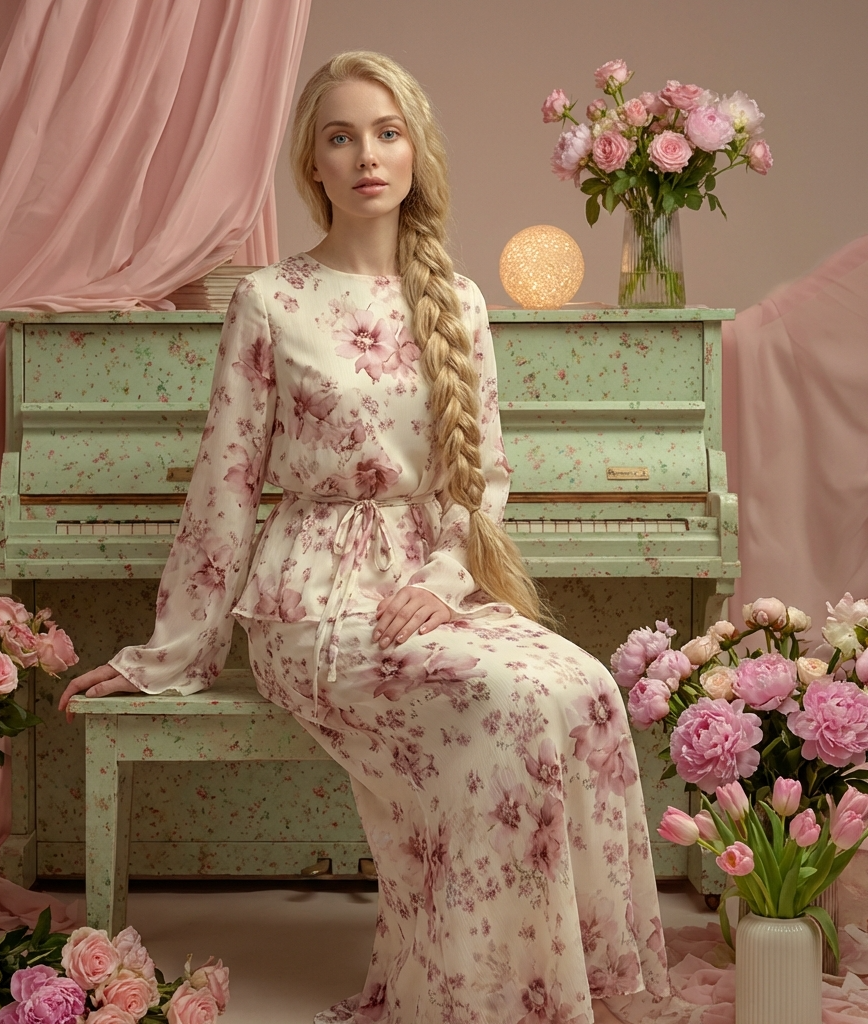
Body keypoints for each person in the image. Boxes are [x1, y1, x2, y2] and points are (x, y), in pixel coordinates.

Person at [60, 50, 669, 1024]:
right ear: (313, 165)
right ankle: (479, 996)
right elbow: (224, 482)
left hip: (433, 587)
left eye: (385, 132)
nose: (364, 154)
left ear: (415, 151)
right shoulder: (272, 301)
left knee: (585, 685)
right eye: (339, 136)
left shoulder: (458, 302)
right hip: (313, 603)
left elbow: (485, 478)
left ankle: (563, 987)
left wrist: (442, 578)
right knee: (505, 697)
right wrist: (168, 653)